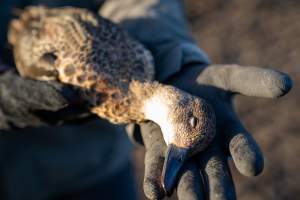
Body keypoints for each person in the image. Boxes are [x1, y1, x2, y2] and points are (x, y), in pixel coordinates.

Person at [0, 0, 292, 200]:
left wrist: (171, 50)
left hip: (91, 166)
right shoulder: (80, 73)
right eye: (184, 139)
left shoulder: (144, 60)